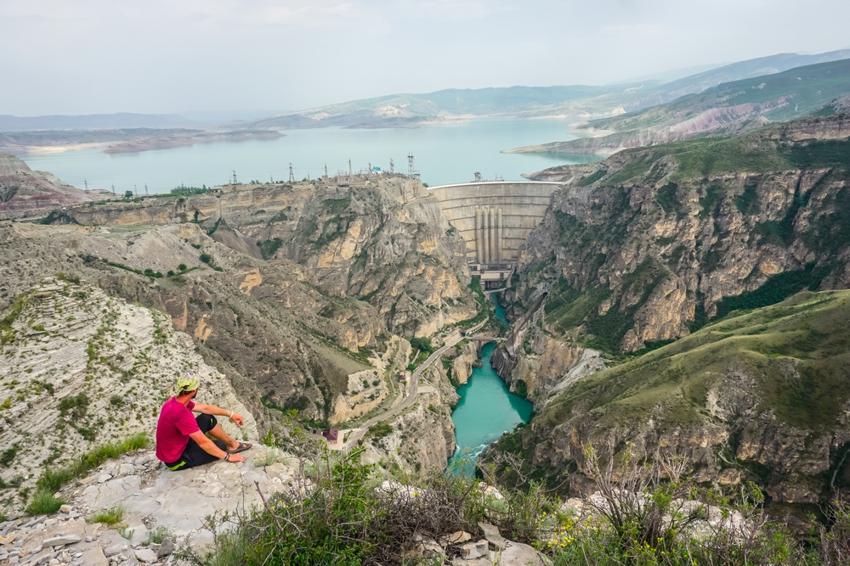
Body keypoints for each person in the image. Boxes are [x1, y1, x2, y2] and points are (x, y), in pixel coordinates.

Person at [155, 374, 252, 471]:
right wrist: (228, 457)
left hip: (179, 445)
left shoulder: (175, 401)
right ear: (194, 390)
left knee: (207, 418)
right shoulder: (181, 413)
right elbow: (203, 442)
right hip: (177, 460)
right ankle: (228, 447)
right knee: (221, 446)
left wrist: (231, 414)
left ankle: (233, 445)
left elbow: (205, 408)